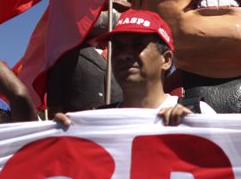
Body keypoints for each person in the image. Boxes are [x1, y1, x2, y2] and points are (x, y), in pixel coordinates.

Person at [54, 10, 191, 128]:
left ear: (166, 60)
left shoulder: (196, 112)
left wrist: (193, 127)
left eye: (137, 45)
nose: (123, 55)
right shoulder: (96, 122)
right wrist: (59, 137)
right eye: (118, 47)